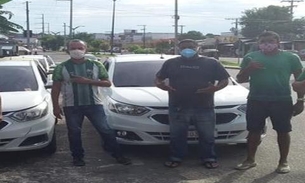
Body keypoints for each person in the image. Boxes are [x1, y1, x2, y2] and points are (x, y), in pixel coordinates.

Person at [51, 39, 131, 166]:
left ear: (85, 50)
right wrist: (55, 106)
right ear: (68, 50)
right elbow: (55, 88)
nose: (77, 51)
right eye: (73, 48)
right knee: (74, 133)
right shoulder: (61, 67)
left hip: (94, 104)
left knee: (105, 130)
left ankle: (118, 154)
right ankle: (77, 157)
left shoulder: (96, 65)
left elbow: (107, 83)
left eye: (80, 48)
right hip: (71, 106)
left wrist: (87, 81)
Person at [235, 31, 304, 174]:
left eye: (270, 41)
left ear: (278, 42)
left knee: (283, 131)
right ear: (258, 44)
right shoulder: (250, 57)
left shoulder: (291, 57)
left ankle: (283, 161)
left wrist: (300, 101)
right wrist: (249, 68)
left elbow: (300, 82)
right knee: (253, 131)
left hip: (281, 100)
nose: (267, 44)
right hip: (256, 99)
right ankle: (250, 160)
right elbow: (240, 79)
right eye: (263, 41)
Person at [155, 39, 229, 169]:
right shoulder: (171, 63)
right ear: (178, 49)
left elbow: (224, 79)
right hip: (178, 106)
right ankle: (176, 157)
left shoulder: (211, 63)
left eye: (190, 47)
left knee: (207, 135)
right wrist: (161, 85)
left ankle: (209, 158)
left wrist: (215, 88)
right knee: (177, 135)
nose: (187, 49)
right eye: (183, 47)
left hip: (204, 106)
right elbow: (158, 78)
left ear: (198, 48)